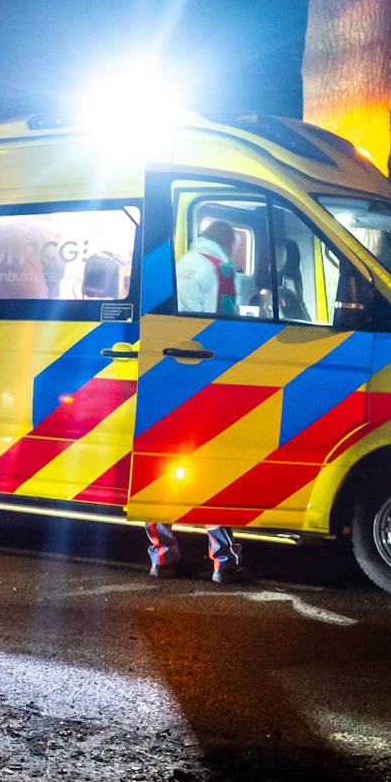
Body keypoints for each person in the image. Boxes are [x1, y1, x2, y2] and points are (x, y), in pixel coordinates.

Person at [148, 217, 251, 582]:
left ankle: (162, 557)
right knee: (210, 471)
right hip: (204, 381)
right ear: (228, 242)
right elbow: (228, 328)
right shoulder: (221, 268)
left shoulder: (181, 264)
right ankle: (224, 562)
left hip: (164, 377)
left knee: (159, 468)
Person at [173, 218, 249, 316]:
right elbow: (226, 316)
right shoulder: (222, 270)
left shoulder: (183, 261)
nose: (232, 254)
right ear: (227, 244)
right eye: (233, 249)